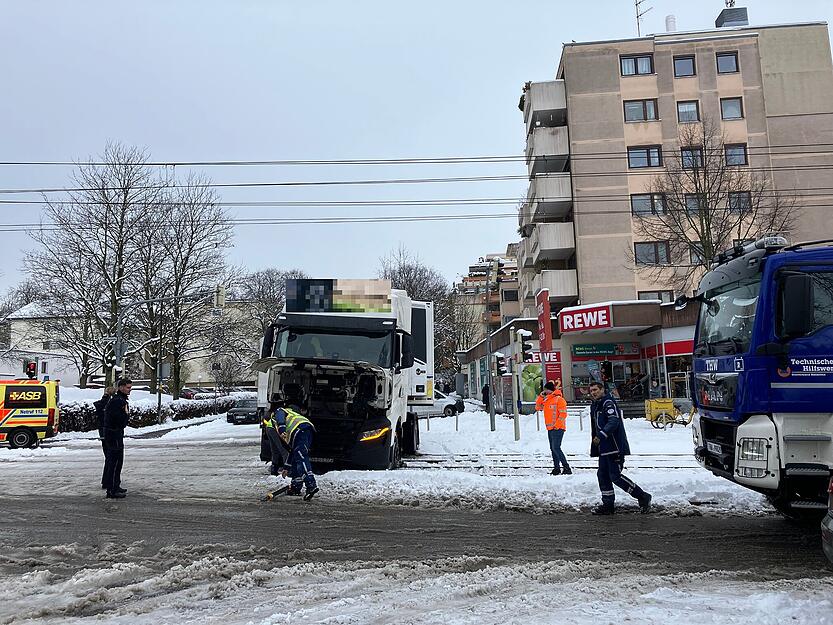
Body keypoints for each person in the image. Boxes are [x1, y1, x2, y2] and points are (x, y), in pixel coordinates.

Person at [588, 381, 651, 515]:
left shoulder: (608, 403)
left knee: (615, 476)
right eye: (592, 390)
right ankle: (608, 505)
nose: (593, 392)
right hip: (604, 448)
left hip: (613, 447)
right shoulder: (597, 404)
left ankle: (642, 496)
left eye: (596, 390)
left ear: (602, 389)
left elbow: (614, 421)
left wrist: (602, 435)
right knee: (602, 475)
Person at [273, 385, 319, 500]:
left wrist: (282, 428)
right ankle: (296, 487)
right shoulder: (295, 414)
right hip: (305, 430)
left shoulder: (279, 411)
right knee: (297, 455)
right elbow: (291, 451)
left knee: (301, 456)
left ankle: (310, 484)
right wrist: (286, 468)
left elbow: (280, 418)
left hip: (300, 430)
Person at [102, 378, 132, 499]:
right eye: (128, 388)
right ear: (121, 387)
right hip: (114, 434)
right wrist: (125, 414)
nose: (130, 390)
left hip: (115, 433)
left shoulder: (120, 400)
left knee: (117, 461)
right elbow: (119, 420)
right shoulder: (118, 401)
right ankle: (112, 489)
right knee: (114, 462)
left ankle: (115, 485)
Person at [536, 381, 571, 475]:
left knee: (556, 448)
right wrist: (540, 396)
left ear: (550, 390)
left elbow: (563, 414)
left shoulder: (559, 399)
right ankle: (557, 468)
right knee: (553, 448)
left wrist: (557, 425)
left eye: (546, 390)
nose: (545, 391)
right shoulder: (547, 400)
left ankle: (566, 468)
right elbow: (538, 407)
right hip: (550, 429)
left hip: (558, 428)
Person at [93, 386, 115, 489]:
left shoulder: (101, 403)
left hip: (102, 431)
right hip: (107, 431)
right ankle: (108, 480)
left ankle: (106, 480)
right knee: (110, 457)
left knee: (108, 456)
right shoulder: (109, 403)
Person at [261, 411, 288, 476]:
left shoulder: (281, 412)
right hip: (274, 429)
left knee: (275, 450)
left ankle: (274, 469)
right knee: (284, 451)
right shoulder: (287, 413)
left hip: (269, 427)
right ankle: (287, 471)